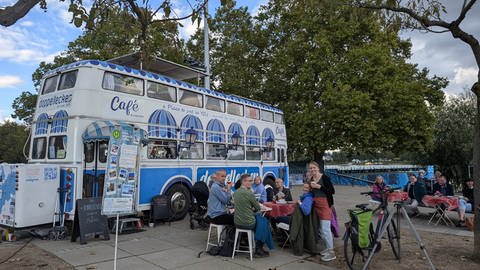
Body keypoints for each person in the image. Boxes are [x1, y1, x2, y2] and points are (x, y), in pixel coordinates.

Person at [234, 174, 274, 257]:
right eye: (249, 181)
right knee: (264, 222)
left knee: (261, 221)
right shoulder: (249, 193)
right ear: (243, 182)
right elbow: (257, 207)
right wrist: (253, 208)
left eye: (251, 181)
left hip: (237, 222)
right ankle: (259, 248)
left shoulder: (236, 192)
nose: (251, 183)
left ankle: (257, 247)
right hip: (247, 223)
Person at [307, 161, 336, 262]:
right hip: (316, 205)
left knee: (325, 230)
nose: (312, 170)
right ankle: (328, 248)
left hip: (325, 205)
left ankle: (332, 252)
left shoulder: (324, 177)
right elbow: (312, 193)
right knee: (320, 230)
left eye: (314, 168)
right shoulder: (310, 179)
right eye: (310, 168)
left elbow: (332, 191)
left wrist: (319, 186)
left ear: (318, 168)